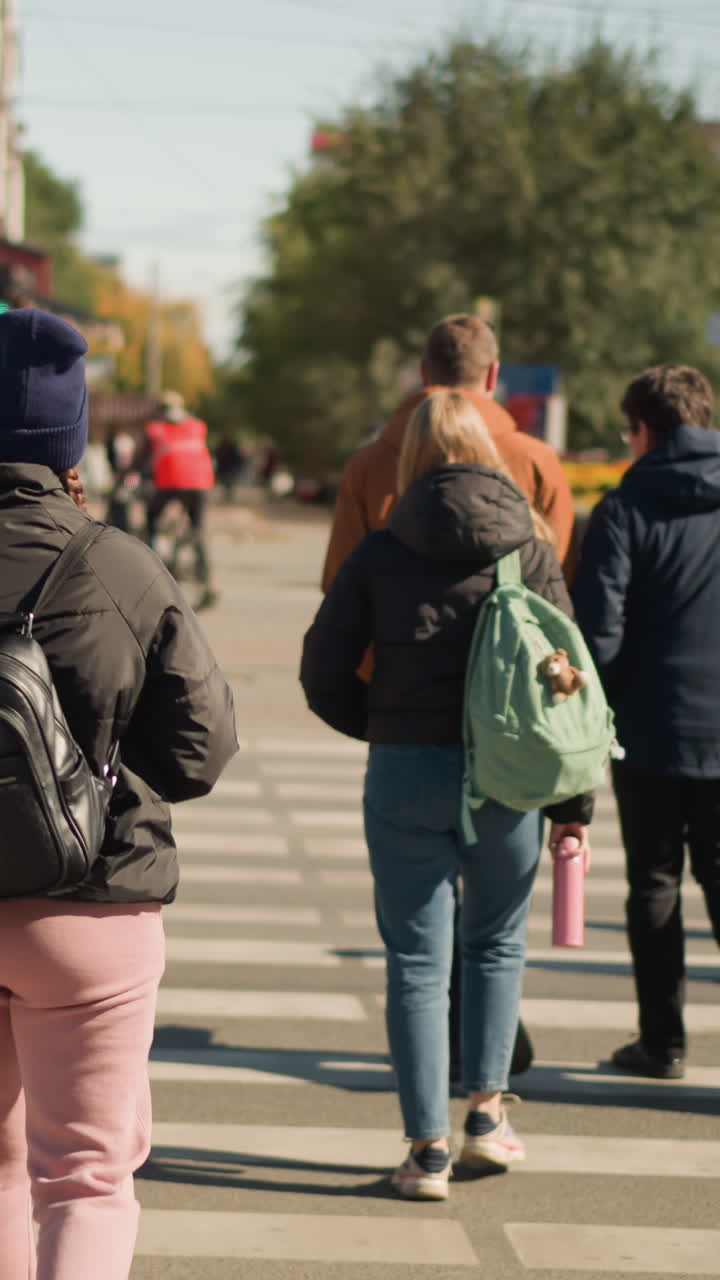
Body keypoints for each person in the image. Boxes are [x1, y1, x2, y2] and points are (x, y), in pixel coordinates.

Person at [301, 390, 592, 1200]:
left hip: (404, 769)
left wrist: (379, 727)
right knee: (497, 944)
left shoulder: (380, 550)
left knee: (416, 963)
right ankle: (488, 1120)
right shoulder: (526, 548)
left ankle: (426, 1151)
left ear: (412, 457)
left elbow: (321, 668)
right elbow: (569, 675)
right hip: (505, 774)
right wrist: (575, 806)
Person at [0, 309, 238, 1277]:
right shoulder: (120, 564)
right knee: (87, 1176)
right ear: (73, 446)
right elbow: (200, 750)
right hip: (91, 902)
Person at [322, 313, 568, 1078]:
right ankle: (488, 1084)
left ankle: (426, 1129)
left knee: (417, 932)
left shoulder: (373, 465)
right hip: (508, 727)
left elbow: (338, 593)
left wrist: (377, 712)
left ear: (423, 377)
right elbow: (557, 612)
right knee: (498, 921)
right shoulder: (533, 462)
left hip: (401, 722)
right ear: (493, 377)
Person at [574, 364, 720, 1080]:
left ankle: (662, 1043)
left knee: (655, 884)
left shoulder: (623, 510)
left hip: (650, 728)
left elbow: (597, 633)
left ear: (642, 431)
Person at [322, 312, 575, 589]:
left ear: (423, 371)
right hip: (504, 628)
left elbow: (340, 581)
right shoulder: (536, 461)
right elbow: (557, 572)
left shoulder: (367, 465)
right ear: (493, 374)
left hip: (392, 629)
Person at [143, 390, 218, 609]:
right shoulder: (197, 426)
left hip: (169, 483)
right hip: (202, 483)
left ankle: (152, 565)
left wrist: (123, 477)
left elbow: (140, 459)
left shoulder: (155, 429)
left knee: (151, 520)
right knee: (199, 531)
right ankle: (208, 583)